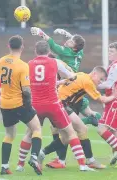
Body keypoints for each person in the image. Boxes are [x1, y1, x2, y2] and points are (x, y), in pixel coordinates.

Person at [16, 40, 95, 172]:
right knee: (70, 132)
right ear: (49, 51)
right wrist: (69, 79)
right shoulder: (55, 62)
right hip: (53, 104)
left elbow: (27, 83)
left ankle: (20, 165)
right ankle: (82, 165)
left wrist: (57, 82)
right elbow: (71, 75)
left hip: (35, 105)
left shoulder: (29, 64)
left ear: (35, 51)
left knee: (29, 133)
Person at [0, 35, 42, 175]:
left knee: (9, 134)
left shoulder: (1, 61)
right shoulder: (22, 65)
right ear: (22, 47)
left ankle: (4, 166)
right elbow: (26, 91)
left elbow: (0, 78)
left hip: (4, 103)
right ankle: (34, 156)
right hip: (19, 103)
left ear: (8, 46)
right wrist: (29, 105)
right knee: (36, 128)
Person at [97, 42, 117, 168]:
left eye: (112, 51)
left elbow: (108, 85)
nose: (109, 53)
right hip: (115, 101)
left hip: (114, 102)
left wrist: (92, 85)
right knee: (116, 132)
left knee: (101, 129)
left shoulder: (116, 66)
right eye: (109, 51)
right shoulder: (116, 65)